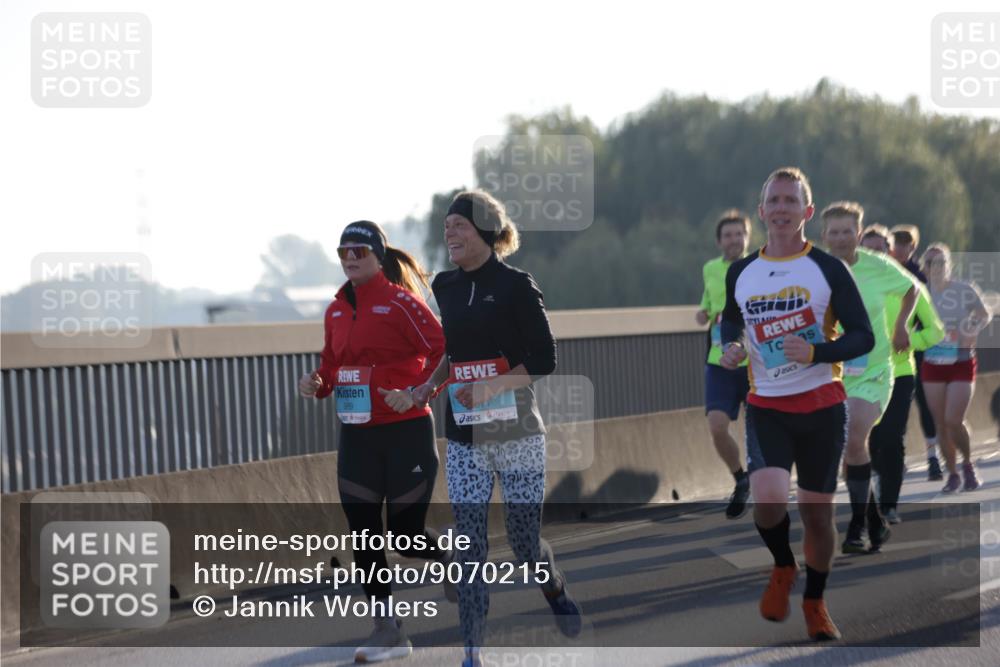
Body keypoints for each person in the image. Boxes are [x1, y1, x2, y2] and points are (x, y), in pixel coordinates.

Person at [407, 190, 581, 667]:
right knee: (470, 545)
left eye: (458, 225)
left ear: (485, 229)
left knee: (525, 546)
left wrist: (491, 388)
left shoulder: (517, 286)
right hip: (464, 437)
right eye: (446, 227)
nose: (450, 233)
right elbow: (456, 351)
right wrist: (431, 383)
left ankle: (553, 585)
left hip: (518, 433)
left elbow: (545, 358)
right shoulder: (443, 285)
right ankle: (472, 655)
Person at [721, 167, 873, 642]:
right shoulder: (741, 272)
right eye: (775, 200)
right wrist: (734, 346)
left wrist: (816, 352)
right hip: (767, 405)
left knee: (817, 516)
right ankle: (784, 567)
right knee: (767, 499)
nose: (782, 208)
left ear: (806, 212)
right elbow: (732, 321)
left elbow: (863, 336)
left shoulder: (828, 268)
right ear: (761, 210)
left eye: (792, 201)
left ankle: (815, 601)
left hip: (823, 404)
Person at [298, 220, 449, 663]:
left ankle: (450, 562)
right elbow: (331, 364)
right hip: (357, 435)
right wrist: (317, 381)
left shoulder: (402, 303)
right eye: (343, 252)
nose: (349, 259)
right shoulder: (335, 310)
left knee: (405, 538)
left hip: (406, 432)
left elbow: (444, 350)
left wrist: (419, 391)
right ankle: (387, 629)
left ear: (378, 258)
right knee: (363, 532)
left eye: (358, 252)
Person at [820, 205, 917, 554]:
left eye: (848, 231)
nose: (842, 238)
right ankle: (875, 519)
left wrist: (901, 324)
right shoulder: (815, 269)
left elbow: (911, 290)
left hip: (873, 371)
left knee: (854, 437)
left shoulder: (878, 265)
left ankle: (857, 527)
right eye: (835, 232)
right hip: (831, 373)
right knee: (849, 450)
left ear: (859, 234)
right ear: (823, 236)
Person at [861, 226, 944, 524]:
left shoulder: (908, 285)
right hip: (860, 376)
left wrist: (910, 340)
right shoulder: (850, 285)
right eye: (867, 251)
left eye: (880, 250)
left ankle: (889, 504)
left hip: (899, 371)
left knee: (891, 436)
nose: (874, 256)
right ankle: (873, 486)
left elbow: (936, 330)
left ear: (890, 251)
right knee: (866, 439)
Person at [920, 243, 993, 493]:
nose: (936, 267)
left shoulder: (963, 289)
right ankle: (952, 474)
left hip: (961, 361)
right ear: (924, 268)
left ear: (948, 265)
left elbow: (984, 314)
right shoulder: (919, 293)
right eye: (930, 263)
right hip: (933, 363)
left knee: (954, 419)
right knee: (940, 423)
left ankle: (968, 465)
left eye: (941, 262)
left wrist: (972, 327)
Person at [696, 209, 752, 518]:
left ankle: (765, 479)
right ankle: (740, 478)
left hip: (755, 361)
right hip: (719, 360)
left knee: (760, 429)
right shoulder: (710, 269)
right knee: (717, 427)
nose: (734, 240)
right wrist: (703, 312)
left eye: (739, 234)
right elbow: (709, 300)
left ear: (747, 237)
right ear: (719, 241)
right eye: (728, 235)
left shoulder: (758, 266)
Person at [890, 224, 942, 481]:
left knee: (924, 403)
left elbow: (927, 315)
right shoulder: (883, 270)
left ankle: (933, 456)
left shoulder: (918, 275)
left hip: (915, 348)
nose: (899, 248)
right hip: (887, 350)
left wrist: (915, 338)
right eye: (896, 243)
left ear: (913, 247)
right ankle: (895, 457)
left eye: (905, 243)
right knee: (894, 407)